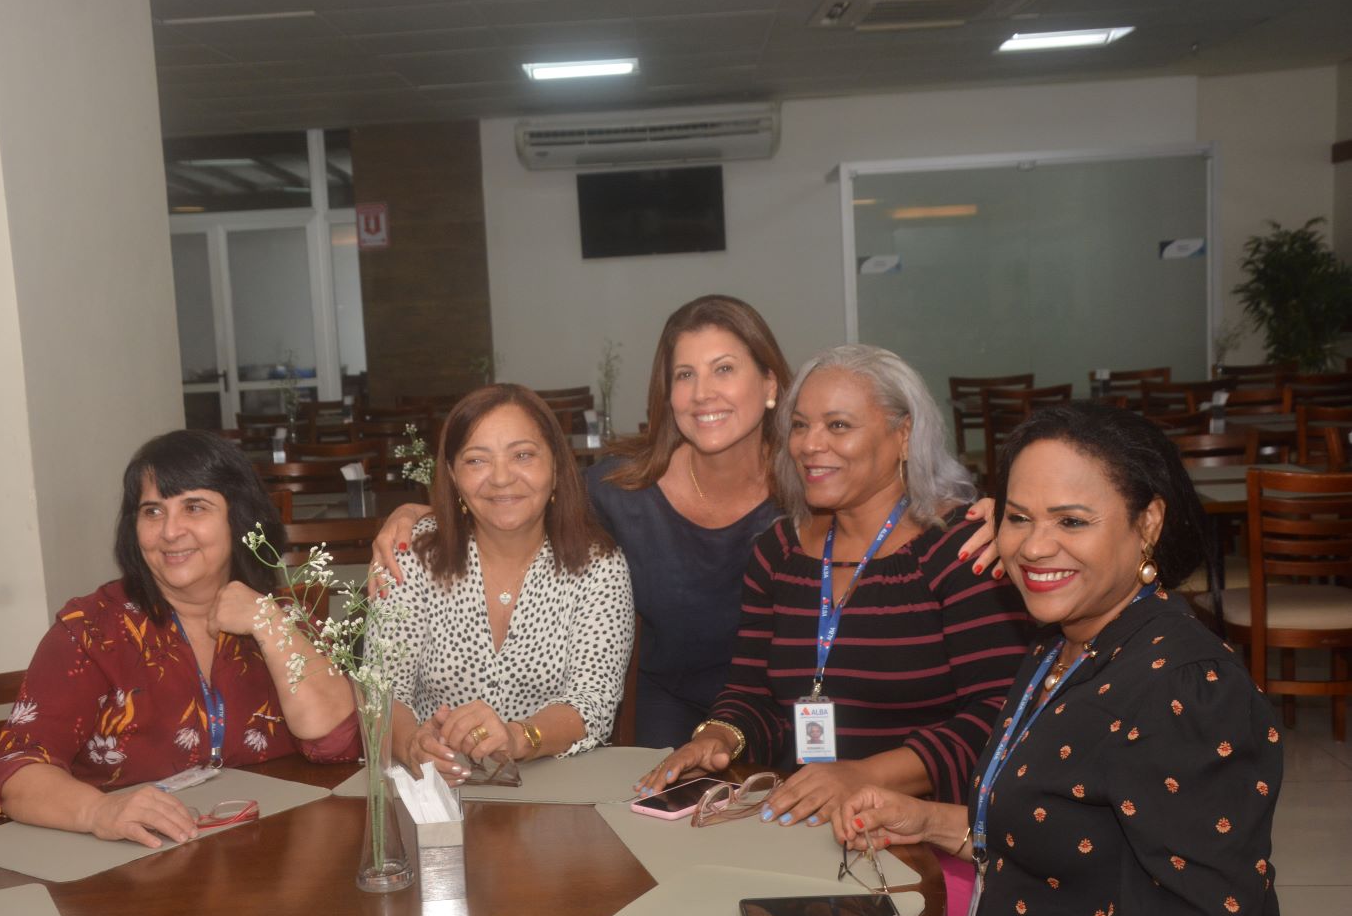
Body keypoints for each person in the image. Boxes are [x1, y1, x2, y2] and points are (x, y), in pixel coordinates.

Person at [373, 296, 1004, 747]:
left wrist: (1006, 521)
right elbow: (518, 501)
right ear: (667, 394)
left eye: (724, 369)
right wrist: (423, 513)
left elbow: (918, 503)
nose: (703, 393)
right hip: (672, 715)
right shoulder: (620, 494)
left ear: (770, 385)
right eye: (685, 375)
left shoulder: (817, 482)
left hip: (799, 714)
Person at [834, 402, 1324, 916]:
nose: (1034, 547)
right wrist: (928, 821)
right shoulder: (1062, 645)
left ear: (1148, 523)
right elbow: (1071, 840)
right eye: (1018, 518)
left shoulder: (1184, 689)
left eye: (1071, 521)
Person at [636, 344, 1032, 916]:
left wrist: (864, 775)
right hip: (802, 830)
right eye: (800, 426)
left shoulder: (960, 549)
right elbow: (753, 691)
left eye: (838, 425)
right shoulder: (777, 552)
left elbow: (997, 718)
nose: (810, 445)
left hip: (927, 843)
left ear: (903, 435)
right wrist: (719, 736)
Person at [0, 431, 361, 849]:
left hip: (259, 855)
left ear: (238, 519)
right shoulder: (92, 630)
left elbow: (336, 743)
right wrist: (98, 811)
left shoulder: (280, 616)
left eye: (194, 507)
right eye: (153, 511)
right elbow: (15, 769)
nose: (170, 531)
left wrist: (271, 624)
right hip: (117, 862)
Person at [387, 384, 633, 783]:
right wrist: (412, 744)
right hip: (436, 789)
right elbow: (382, 690)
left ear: (556, 466)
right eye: (476, 460)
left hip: (557, 790)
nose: (501, 478)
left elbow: (593, 703)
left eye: (522, 455)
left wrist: (518, 737)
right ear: (452, 475)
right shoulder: (412, 556)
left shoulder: (599, 566)